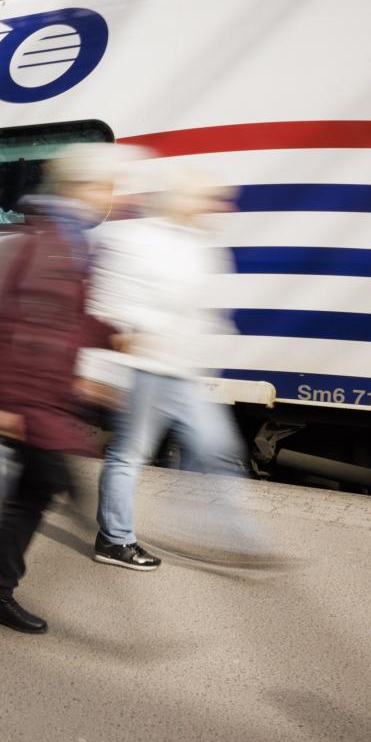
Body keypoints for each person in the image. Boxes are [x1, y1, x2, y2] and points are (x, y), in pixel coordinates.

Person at [0, 143, 131, 635]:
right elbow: (3, 326)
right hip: (27, 400)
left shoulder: (68, 240)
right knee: (51, 487)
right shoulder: (44, 243)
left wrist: (111, 337)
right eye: (105, 186)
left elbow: (67, 320)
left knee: (31, 494)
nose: (112, 196)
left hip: (42, 396)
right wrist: (0, 404)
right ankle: (124, 616)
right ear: (79, 187)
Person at [89, 164, 269, 569]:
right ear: (182, 199)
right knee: (129, 454)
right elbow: (108, 303)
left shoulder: (203, 244)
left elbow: (207, 309)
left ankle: (237, 539)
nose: (218, 207)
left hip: (183, 372)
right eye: (208, 198)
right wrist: (110, 365)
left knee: (218, 449)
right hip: (145, 367)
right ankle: (115, 540)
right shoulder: (137, 238)